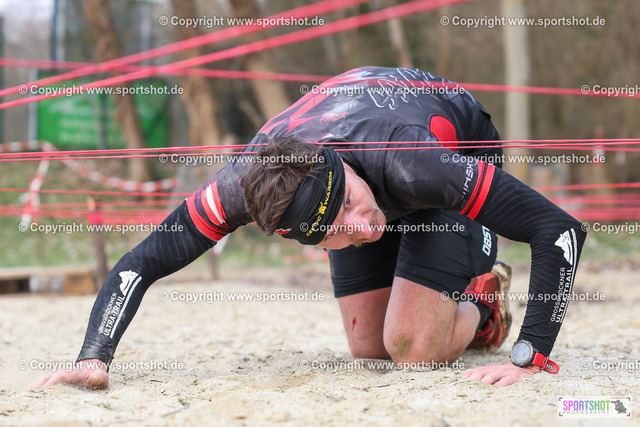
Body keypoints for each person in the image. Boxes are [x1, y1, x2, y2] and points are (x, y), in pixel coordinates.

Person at [30, 66, 586, 389]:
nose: (362, 223)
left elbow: (559, 230)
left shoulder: (413, 164)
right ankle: (437, 287)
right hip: (371, 158)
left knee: (413, 348)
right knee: (369, 347)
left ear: (340, 166)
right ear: (289, 235)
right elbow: (141, 263)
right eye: (336, 227)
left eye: (351, 201)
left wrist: (531, 356)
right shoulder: (239, 190)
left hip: (452, 140)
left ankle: (483, 302)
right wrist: (93, 356)